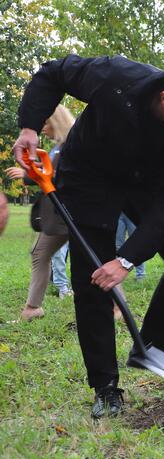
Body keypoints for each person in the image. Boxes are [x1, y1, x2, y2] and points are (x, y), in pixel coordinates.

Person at [14, 55, 164, 418]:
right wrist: (29, 128)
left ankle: (149, 345)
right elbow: (53, 73)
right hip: (90, 177)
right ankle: (106, 387)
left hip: (149, 184)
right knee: (92, 283)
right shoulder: (116, 77)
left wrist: (126, 260)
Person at [5, 105, 75, 321]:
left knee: (97, 259)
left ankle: (116, 308)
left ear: (57, 121)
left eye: (45, 123)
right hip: (59, 216)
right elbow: (49, 172)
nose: (42, 128)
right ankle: (32, 309)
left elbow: (58, 177)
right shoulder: (58, 147)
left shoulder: (71, 146)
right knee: (40, 254)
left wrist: (27, 176)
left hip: (69, 215)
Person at [115, 214, 146, 279]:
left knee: (137, 244)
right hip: (118, 214)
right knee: (118, 246)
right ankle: (117, 275)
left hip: (131, 213)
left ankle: (140, 275)